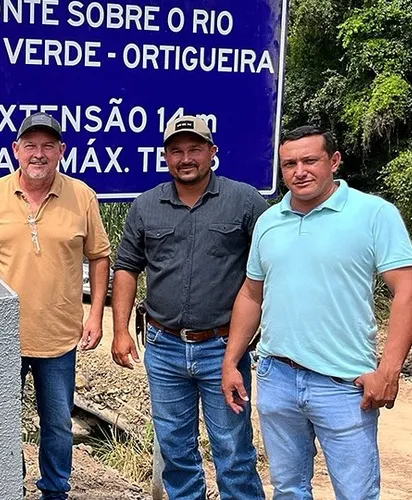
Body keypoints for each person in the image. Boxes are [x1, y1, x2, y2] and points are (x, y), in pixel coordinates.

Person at [222, 126, 412, 499]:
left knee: (356, 494)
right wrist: (231, 360)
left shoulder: (373, 213)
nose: (300, 171)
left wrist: (389, 371)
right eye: (289, 164)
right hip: (277, 377)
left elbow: (408, 292)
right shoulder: (269, 221)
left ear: (333, 161)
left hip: (345, 384)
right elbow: (251, 294)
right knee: (288, 490)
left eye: (310, 160)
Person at [110, 115, 268, 500]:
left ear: (212, 153)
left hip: (224, 350)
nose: (186, 158)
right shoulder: (147, 206)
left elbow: (271, 263)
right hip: (163, 349)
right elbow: (127, 266)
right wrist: (119, 330)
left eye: (194, 149)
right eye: (176, 151)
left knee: (232, 452)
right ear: (165, 157)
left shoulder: (244, 201)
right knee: (177, 452)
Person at [0, 111, 111, 500]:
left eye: (48, 146)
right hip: (0, 337)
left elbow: (99, 256)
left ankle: (54, 490)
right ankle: (10, 487)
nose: (39, 154)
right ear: (16, 150)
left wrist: (95, 313)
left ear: (61, 150)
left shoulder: (82, 196)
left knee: (58, 423)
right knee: (2, 422)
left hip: (59, 337)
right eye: (30, 146)